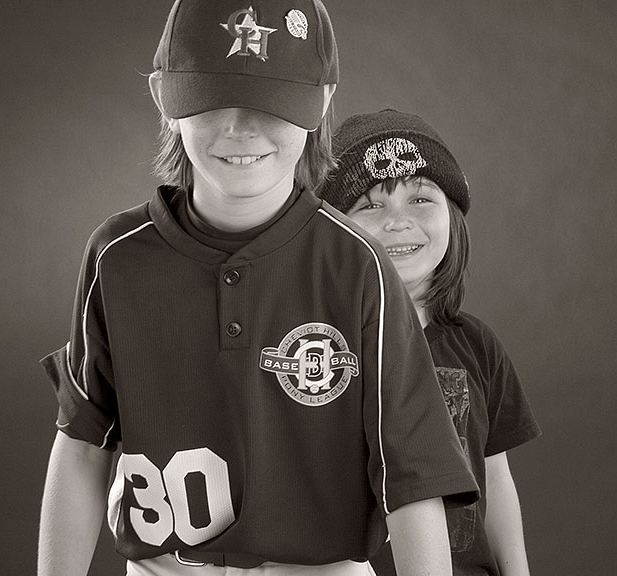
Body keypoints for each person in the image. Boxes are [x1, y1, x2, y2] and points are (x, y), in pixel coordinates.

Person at [37, 3, 478, 575]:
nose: (241, 129)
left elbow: (413, 479)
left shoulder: (358, 266)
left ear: (322, 100)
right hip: (167, 567)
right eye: (213, 98)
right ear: (164, 95)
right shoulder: (116, 257)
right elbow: (81, 445)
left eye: (272, 102)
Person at [316, 109, 542, 576]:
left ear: (452, 217)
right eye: (371, 206)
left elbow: (494, 478)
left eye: (420, 199)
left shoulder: (477, 346)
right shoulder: (316, 352)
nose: (398, 223)